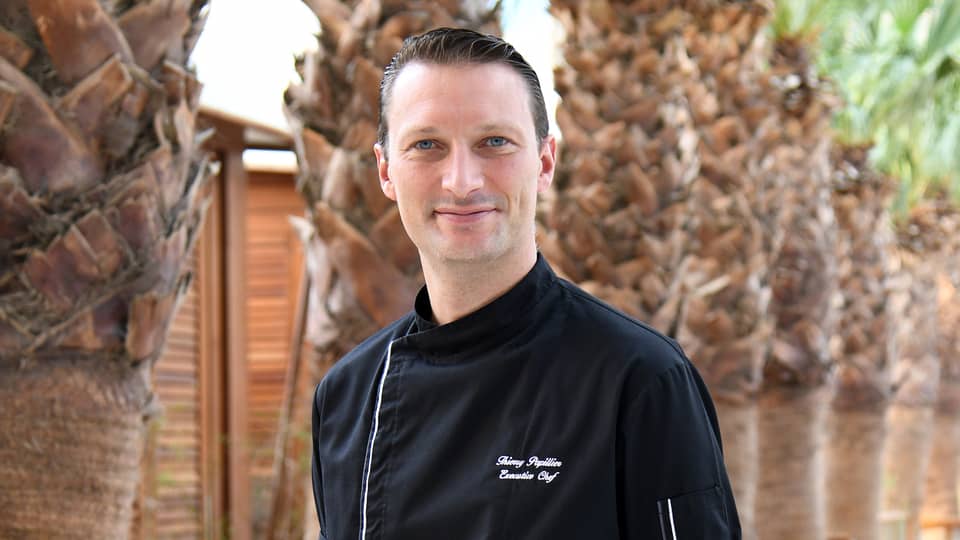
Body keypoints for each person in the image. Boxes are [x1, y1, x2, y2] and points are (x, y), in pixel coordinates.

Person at [310, 27, 741, 540]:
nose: (462, 181)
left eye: (494, 142)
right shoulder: (346, 397)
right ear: (386, 170)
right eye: (427, 145)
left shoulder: (641, 380)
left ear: (544, 161)